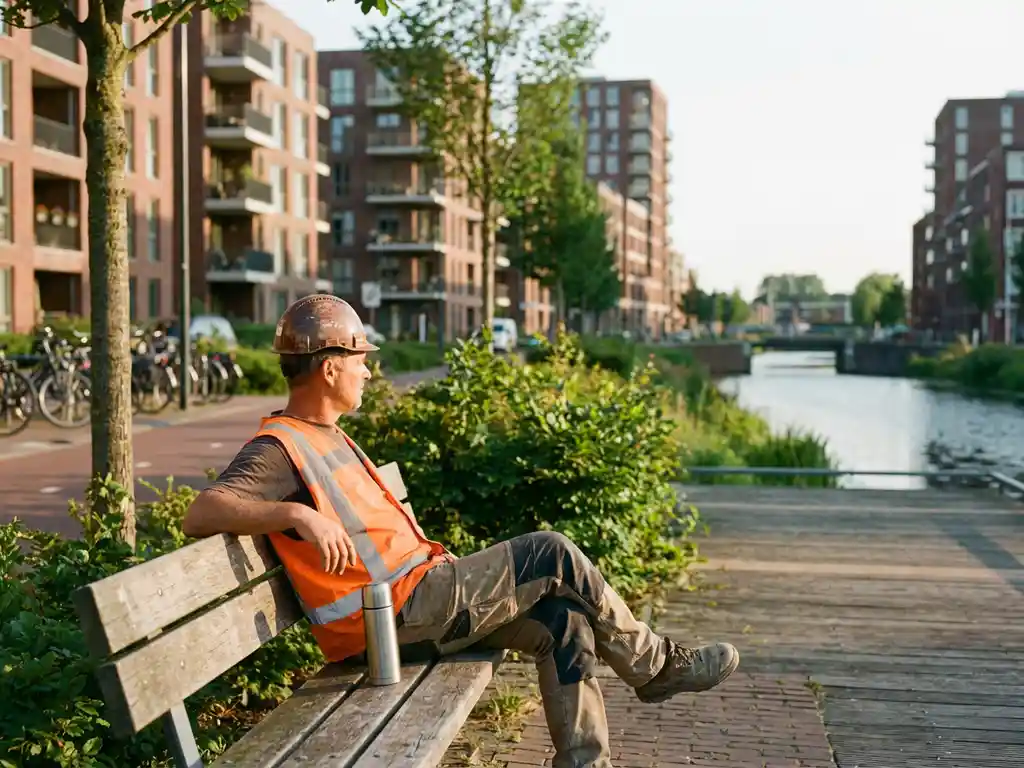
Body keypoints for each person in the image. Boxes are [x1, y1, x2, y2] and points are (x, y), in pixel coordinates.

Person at [182, 295, 739, 768]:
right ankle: (655, 664)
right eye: (359, 360)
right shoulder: (279, 447)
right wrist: (293, 515)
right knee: (550, 552)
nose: (368, 371)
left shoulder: (327, 434)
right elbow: (203, 513)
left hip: (413, 600)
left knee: (562, 621)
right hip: (387, 622)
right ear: (329, 369)